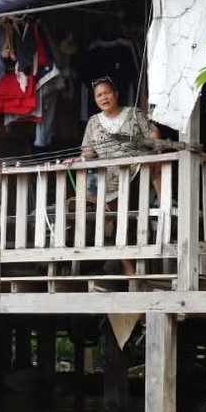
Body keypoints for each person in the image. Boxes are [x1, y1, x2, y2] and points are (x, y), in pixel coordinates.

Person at [73, 77, 162, 277]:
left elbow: (154, 133)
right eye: (99, 95)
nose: (103, 98)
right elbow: (88, 151)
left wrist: (156, 150)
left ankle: (144, 264)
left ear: (116, 94)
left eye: (107, 93)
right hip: (109, 179)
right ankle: (129, 267)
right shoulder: (94, 122)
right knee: (120, 221)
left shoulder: (133, 113)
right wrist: (78, 158)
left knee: (135, 219)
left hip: (136, 172)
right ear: (95, 99)